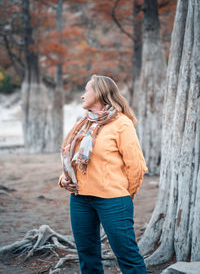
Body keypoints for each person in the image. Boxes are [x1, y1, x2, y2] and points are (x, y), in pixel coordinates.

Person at [58, 74, 148, 274]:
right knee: (87, 256)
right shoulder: (83, 123)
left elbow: (136, 166)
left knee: (127, 256)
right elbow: (71, 159)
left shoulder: (121, 124)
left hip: (113, 200)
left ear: (98, 93)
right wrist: (64, 180)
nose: (82, 96)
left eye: (86, 90)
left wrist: (123, 196)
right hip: (80, 199)